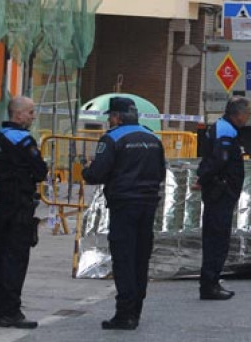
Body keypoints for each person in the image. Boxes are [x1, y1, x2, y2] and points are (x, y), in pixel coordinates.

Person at [82, 97, 166, 330]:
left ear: (118, 117)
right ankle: (136, 309)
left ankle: (125, 313)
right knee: (141, 258)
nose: (110, 120)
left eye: (110, 116)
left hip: (124, 205)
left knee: (124, 258)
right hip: (148, 205)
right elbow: (161, 172)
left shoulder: (112, 138)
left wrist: (85, 168)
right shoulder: (153, 139)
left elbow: (96, 174)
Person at [0, 96, 47, 329]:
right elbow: (40, 171)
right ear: (18, 114)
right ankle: (10, 312)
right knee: (15, 257)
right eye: (30, 112)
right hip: (20, 205)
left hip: (2, 205)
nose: (33, 116)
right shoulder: (24, 141)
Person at [195, 96, 251, 300]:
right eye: (247, 114)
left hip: (218, 191)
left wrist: (203, 178)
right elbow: (219, 160)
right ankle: (210, 284)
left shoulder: (221, 128)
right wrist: (205, 178)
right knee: (217, 240)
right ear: (238, 114)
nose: (248, 118)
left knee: (215, 238)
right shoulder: (226, 132)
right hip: (220, 193)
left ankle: (211, 282)